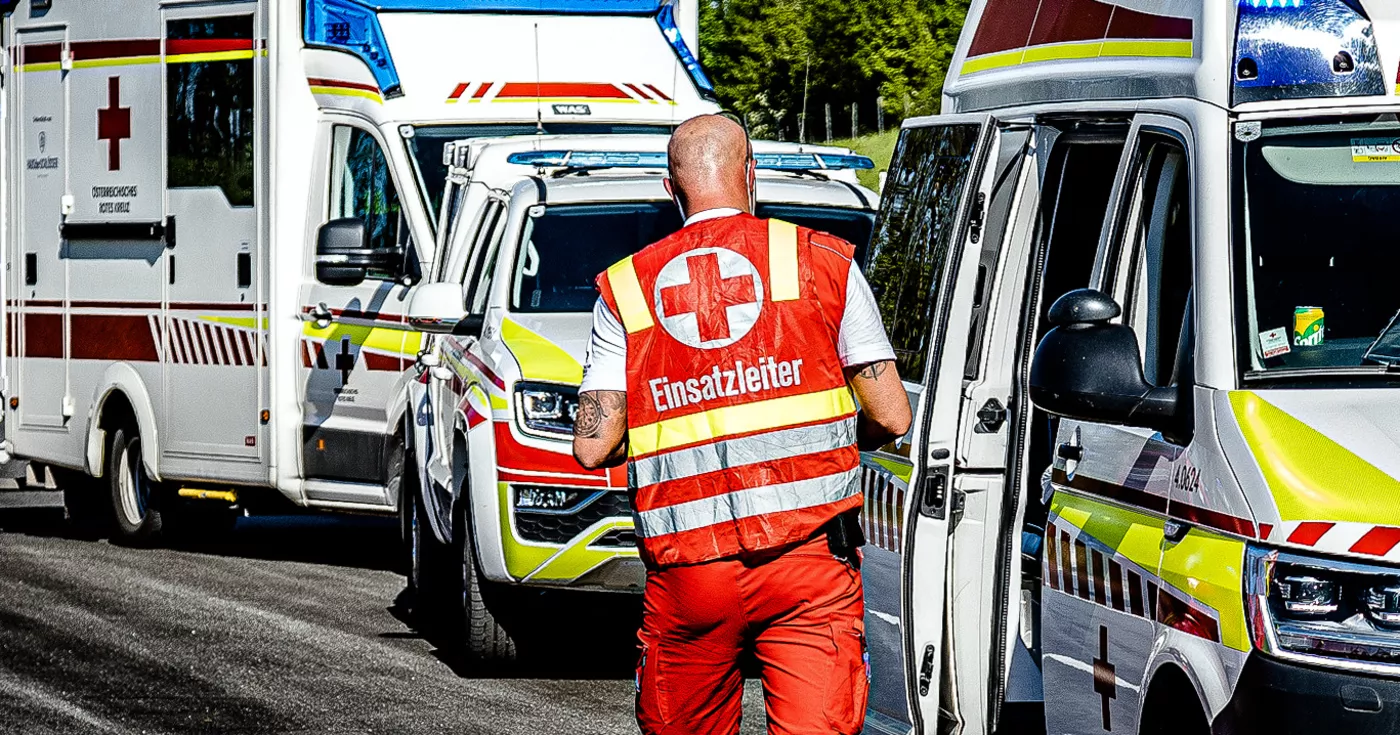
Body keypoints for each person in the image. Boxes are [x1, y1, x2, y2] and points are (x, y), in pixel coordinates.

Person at [572, 114, 911, 735]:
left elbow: (593, 447)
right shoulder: (822, 262)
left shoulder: (627, 288)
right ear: (751, 176)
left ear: (671, 191)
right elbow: (891, 413)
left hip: (688, 574)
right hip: (809, 564)